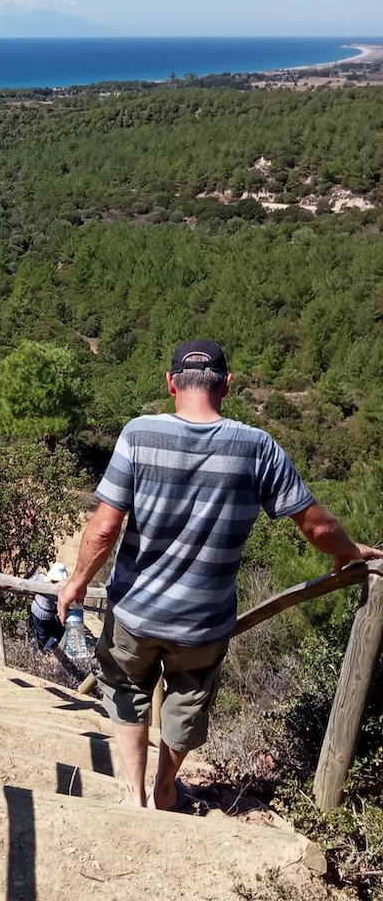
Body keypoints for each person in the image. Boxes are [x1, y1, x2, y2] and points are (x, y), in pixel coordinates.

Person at [56, 340, 383, 810]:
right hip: (203, 621)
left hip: (134, 610)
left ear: (171, 383)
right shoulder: (258, 447)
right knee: (187, 700)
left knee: (126, 689)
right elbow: (315, 524)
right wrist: (350, 549)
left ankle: (132, 790)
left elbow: (105, 527)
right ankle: (165, 787)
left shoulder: (138, 434)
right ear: (227, 385)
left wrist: (77, 582)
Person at [31, 562, 67, 651]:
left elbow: (29, 583)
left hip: (35, 608)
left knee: (40, 633)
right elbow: (59, 600)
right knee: (58, 632)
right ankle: (46, 650)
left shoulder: (39, 577)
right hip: (46, 615)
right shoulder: (55, 589)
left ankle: (36, 652)